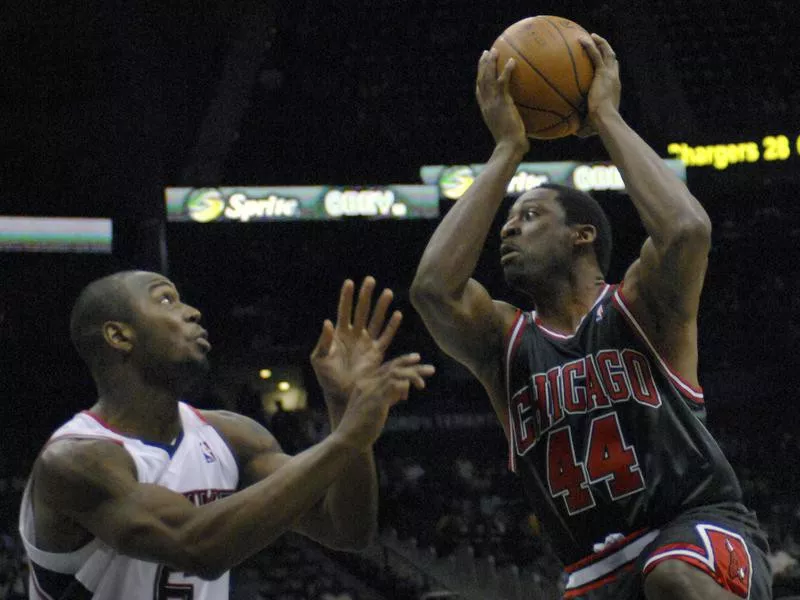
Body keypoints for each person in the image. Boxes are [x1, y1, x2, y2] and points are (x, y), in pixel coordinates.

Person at [410, 35, 771, 599]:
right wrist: (507, 150)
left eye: (529, 216)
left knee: (671, 576)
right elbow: (432, 289)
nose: (507, 228)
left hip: (697, 528)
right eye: (509, 220)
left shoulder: (641, 304)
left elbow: (687, 229)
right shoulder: (503, 341)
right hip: (590, 566)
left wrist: (606, 117)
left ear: (583, 235)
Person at [19, 271, 434, 599]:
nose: (193, 311)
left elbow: (346, 529)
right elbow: (197, 547)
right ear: (119, 335)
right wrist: (344, 439)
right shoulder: (76, 460)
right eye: (165, 299)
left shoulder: (232, 436)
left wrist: (343, 408)